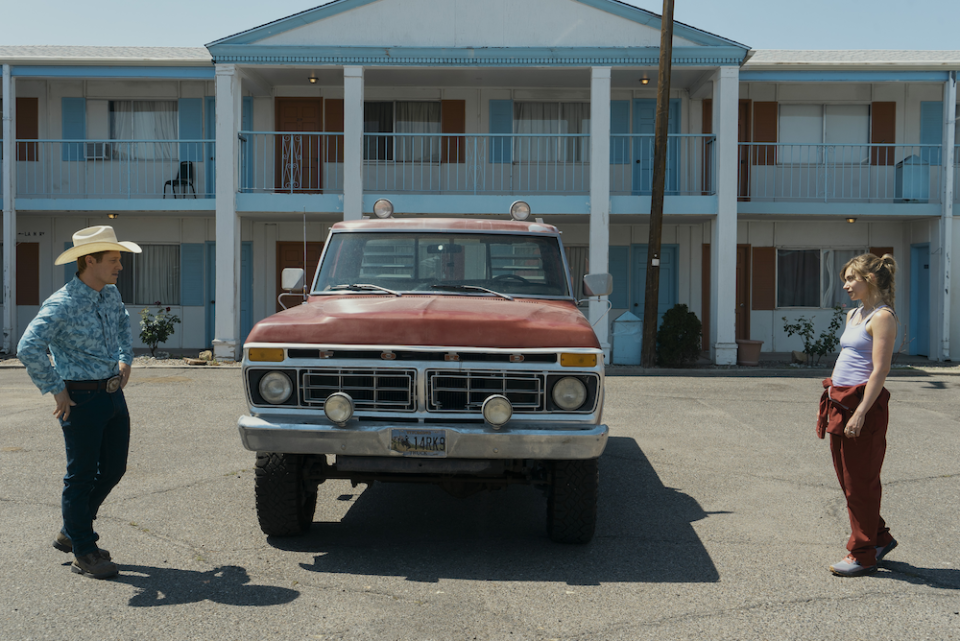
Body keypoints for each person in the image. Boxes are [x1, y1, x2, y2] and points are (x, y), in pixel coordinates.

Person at [17, 225, 141, 580]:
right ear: (91, 260)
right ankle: (84, 551)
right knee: (82, 475)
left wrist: (125, 358)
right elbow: (28, 347)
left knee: (114, 469)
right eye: (114, 259)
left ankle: (73, 530)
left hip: (113, 394)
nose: (120, 265)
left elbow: (122, 325)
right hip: (81, 398)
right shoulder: (63, 303)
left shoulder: (110, 294)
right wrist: (55, 387)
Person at [816, 253, 898, 577]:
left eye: (852, 279)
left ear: (871, 279)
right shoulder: (855, 313)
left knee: (859, 482)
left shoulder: (882, 317)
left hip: (862, 406)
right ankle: (878, 537)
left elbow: (881, 369)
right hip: (840, 403)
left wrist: (861, 412)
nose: (846, 285)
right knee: (849, 480)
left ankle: (863, 554)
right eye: (846, 279)